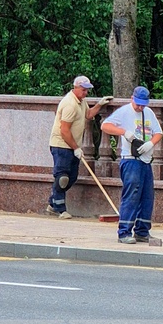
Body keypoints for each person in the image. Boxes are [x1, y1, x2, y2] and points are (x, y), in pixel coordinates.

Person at [100, 86, 163, 244]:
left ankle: (142, 231)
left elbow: (158, 132)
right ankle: (124, 232)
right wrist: (123, 132)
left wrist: (151, 143)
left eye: (143, 104)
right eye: (138, 104)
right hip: (130, 159)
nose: (140, 107)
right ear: (132, 99)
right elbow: (105, 126)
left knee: (147, 196)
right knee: (131, 195)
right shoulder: (124, 112)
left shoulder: (148, 113)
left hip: (145, 159)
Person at [47, 74, 111, 218]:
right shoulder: (69, 104)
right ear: (75, 88)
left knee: (72, 177)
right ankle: (60, 209)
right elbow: (64, 130)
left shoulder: (81, 101)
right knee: (62, 177)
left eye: (87, 90)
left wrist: (100, 104)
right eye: (83, 90)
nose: (86, 93)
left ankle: (52, 202)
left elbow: (88, 115)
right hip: (61, 145)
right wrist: (76, 147)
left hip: (72, 145)